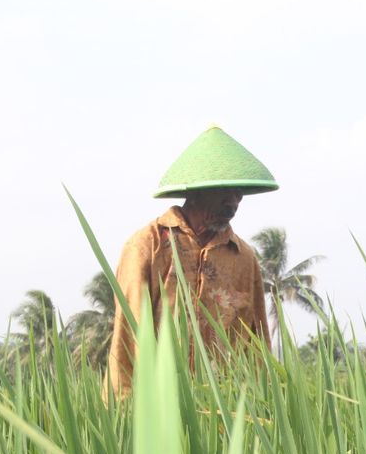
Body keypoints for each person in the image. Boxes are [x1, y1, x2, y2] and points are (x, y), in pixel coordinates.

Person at [105, 126, 276, 399]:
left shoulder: (243, 258)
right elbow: (128, 333)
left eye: (238, 193)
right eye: (224, 191)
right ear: (196, 192)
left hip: (223, 405)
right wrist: (127, 405)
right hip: (160, 402)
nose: (233, 202)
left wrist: (263, 402)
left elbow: (257, 341)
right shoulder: (148, 246)